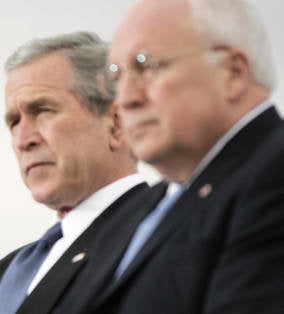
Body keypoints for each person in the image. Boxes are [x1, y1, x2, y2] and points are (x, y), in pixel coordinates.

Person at [54, 0, 284, 313]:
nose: (124, 99)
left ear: (233, 73)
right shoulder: (136, 212)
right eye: (116, 76)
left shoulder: (273, 174)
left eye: (147, 66)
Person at [0, 32, 148, 314]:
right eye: (14, 122)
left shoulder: (169, 230)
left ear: (116, 123)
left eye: (43, 110)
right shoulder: (5, 272)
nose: (23, 139)